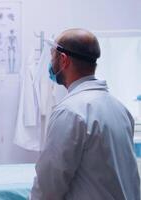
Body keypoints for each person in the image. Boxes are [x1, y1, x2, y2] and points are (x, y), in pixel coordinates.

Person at [31, 28, 140, 199]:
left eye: (52, 56)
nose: (50, 62)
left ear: (64, 60)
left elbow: (48, 187)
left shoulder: (70, 112)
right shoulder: (119, 108)